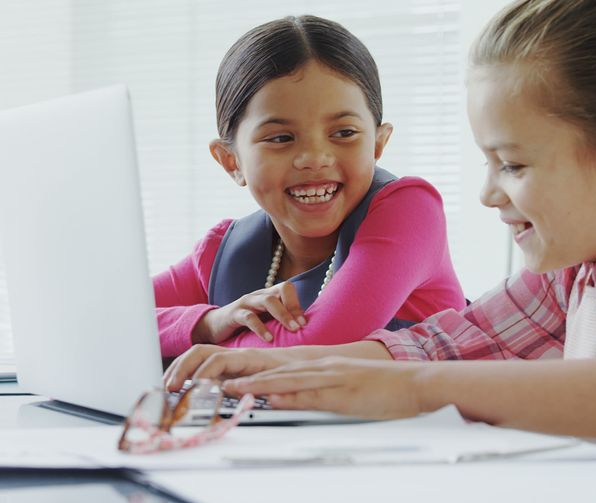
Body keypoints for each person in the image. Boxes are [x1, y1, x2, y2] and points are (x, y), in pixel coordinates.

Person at [164, 0, 596, 442]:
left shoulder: (407, 207)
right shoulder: (565, 277)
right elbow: (444, 345)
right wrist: (257, 359)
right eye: (489, 162)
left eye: (514, 165)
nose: (487, 194)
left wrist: (412, 388)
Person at [154, 16, 465, 359]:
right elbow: (105, 320)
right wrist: (207, 323)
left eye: (344, 133)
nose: (315, 158)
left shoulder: (409, 211)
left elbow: (324, 342)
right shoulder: (220, 253)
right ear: (231, 161)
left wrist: (203, 347)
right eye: (281, 138)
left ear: (378, 143)